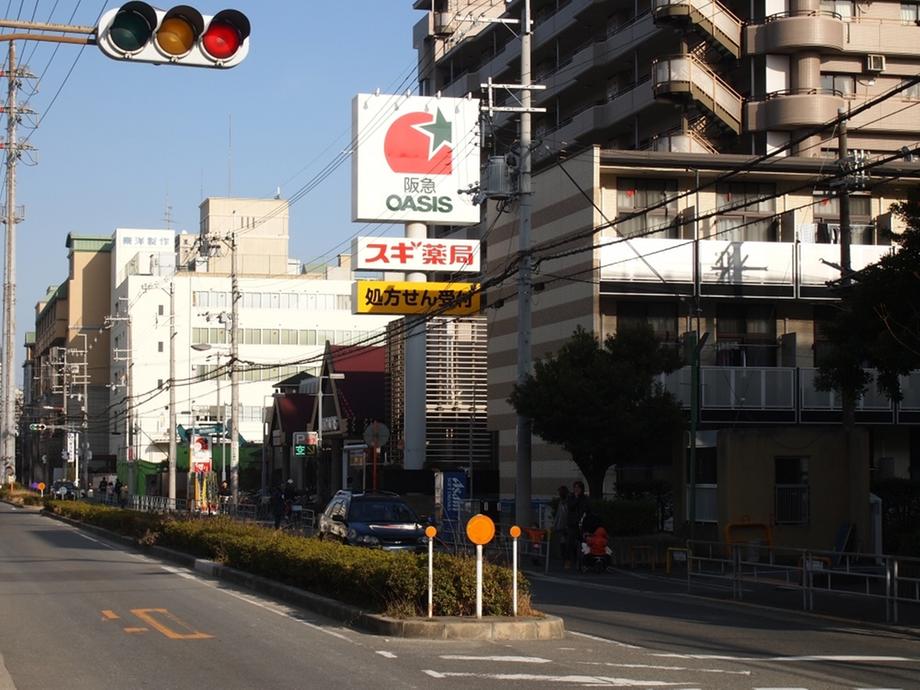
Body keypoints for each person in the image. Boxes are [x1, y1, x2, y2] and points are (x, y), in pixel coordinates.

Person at [565, 480, 590, 570]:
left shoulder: (585, 498)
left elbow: (587, 509)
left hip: (582, 524)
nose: (576, 489)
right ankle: (568, 561)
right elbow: (570, 506)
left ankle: (583, 562)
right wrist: (576, 498)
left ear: (582, 489)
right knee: (570, 543)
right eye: (575, 487)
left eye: (578, 488)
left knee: (584, 543)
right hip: (572, 524)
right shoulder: (571, 497)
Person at [552, 485, 569, 562]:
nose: (559, 494)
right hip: (561, 525)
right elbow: (558, 514)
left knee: (565, 541)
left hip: (566, 525)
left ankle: (565, 557)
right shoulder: (561, 502)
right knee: (562, 541)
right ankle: (563, 556)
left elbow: (561, 515)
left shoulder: (566, 502)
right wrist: (555, 525)